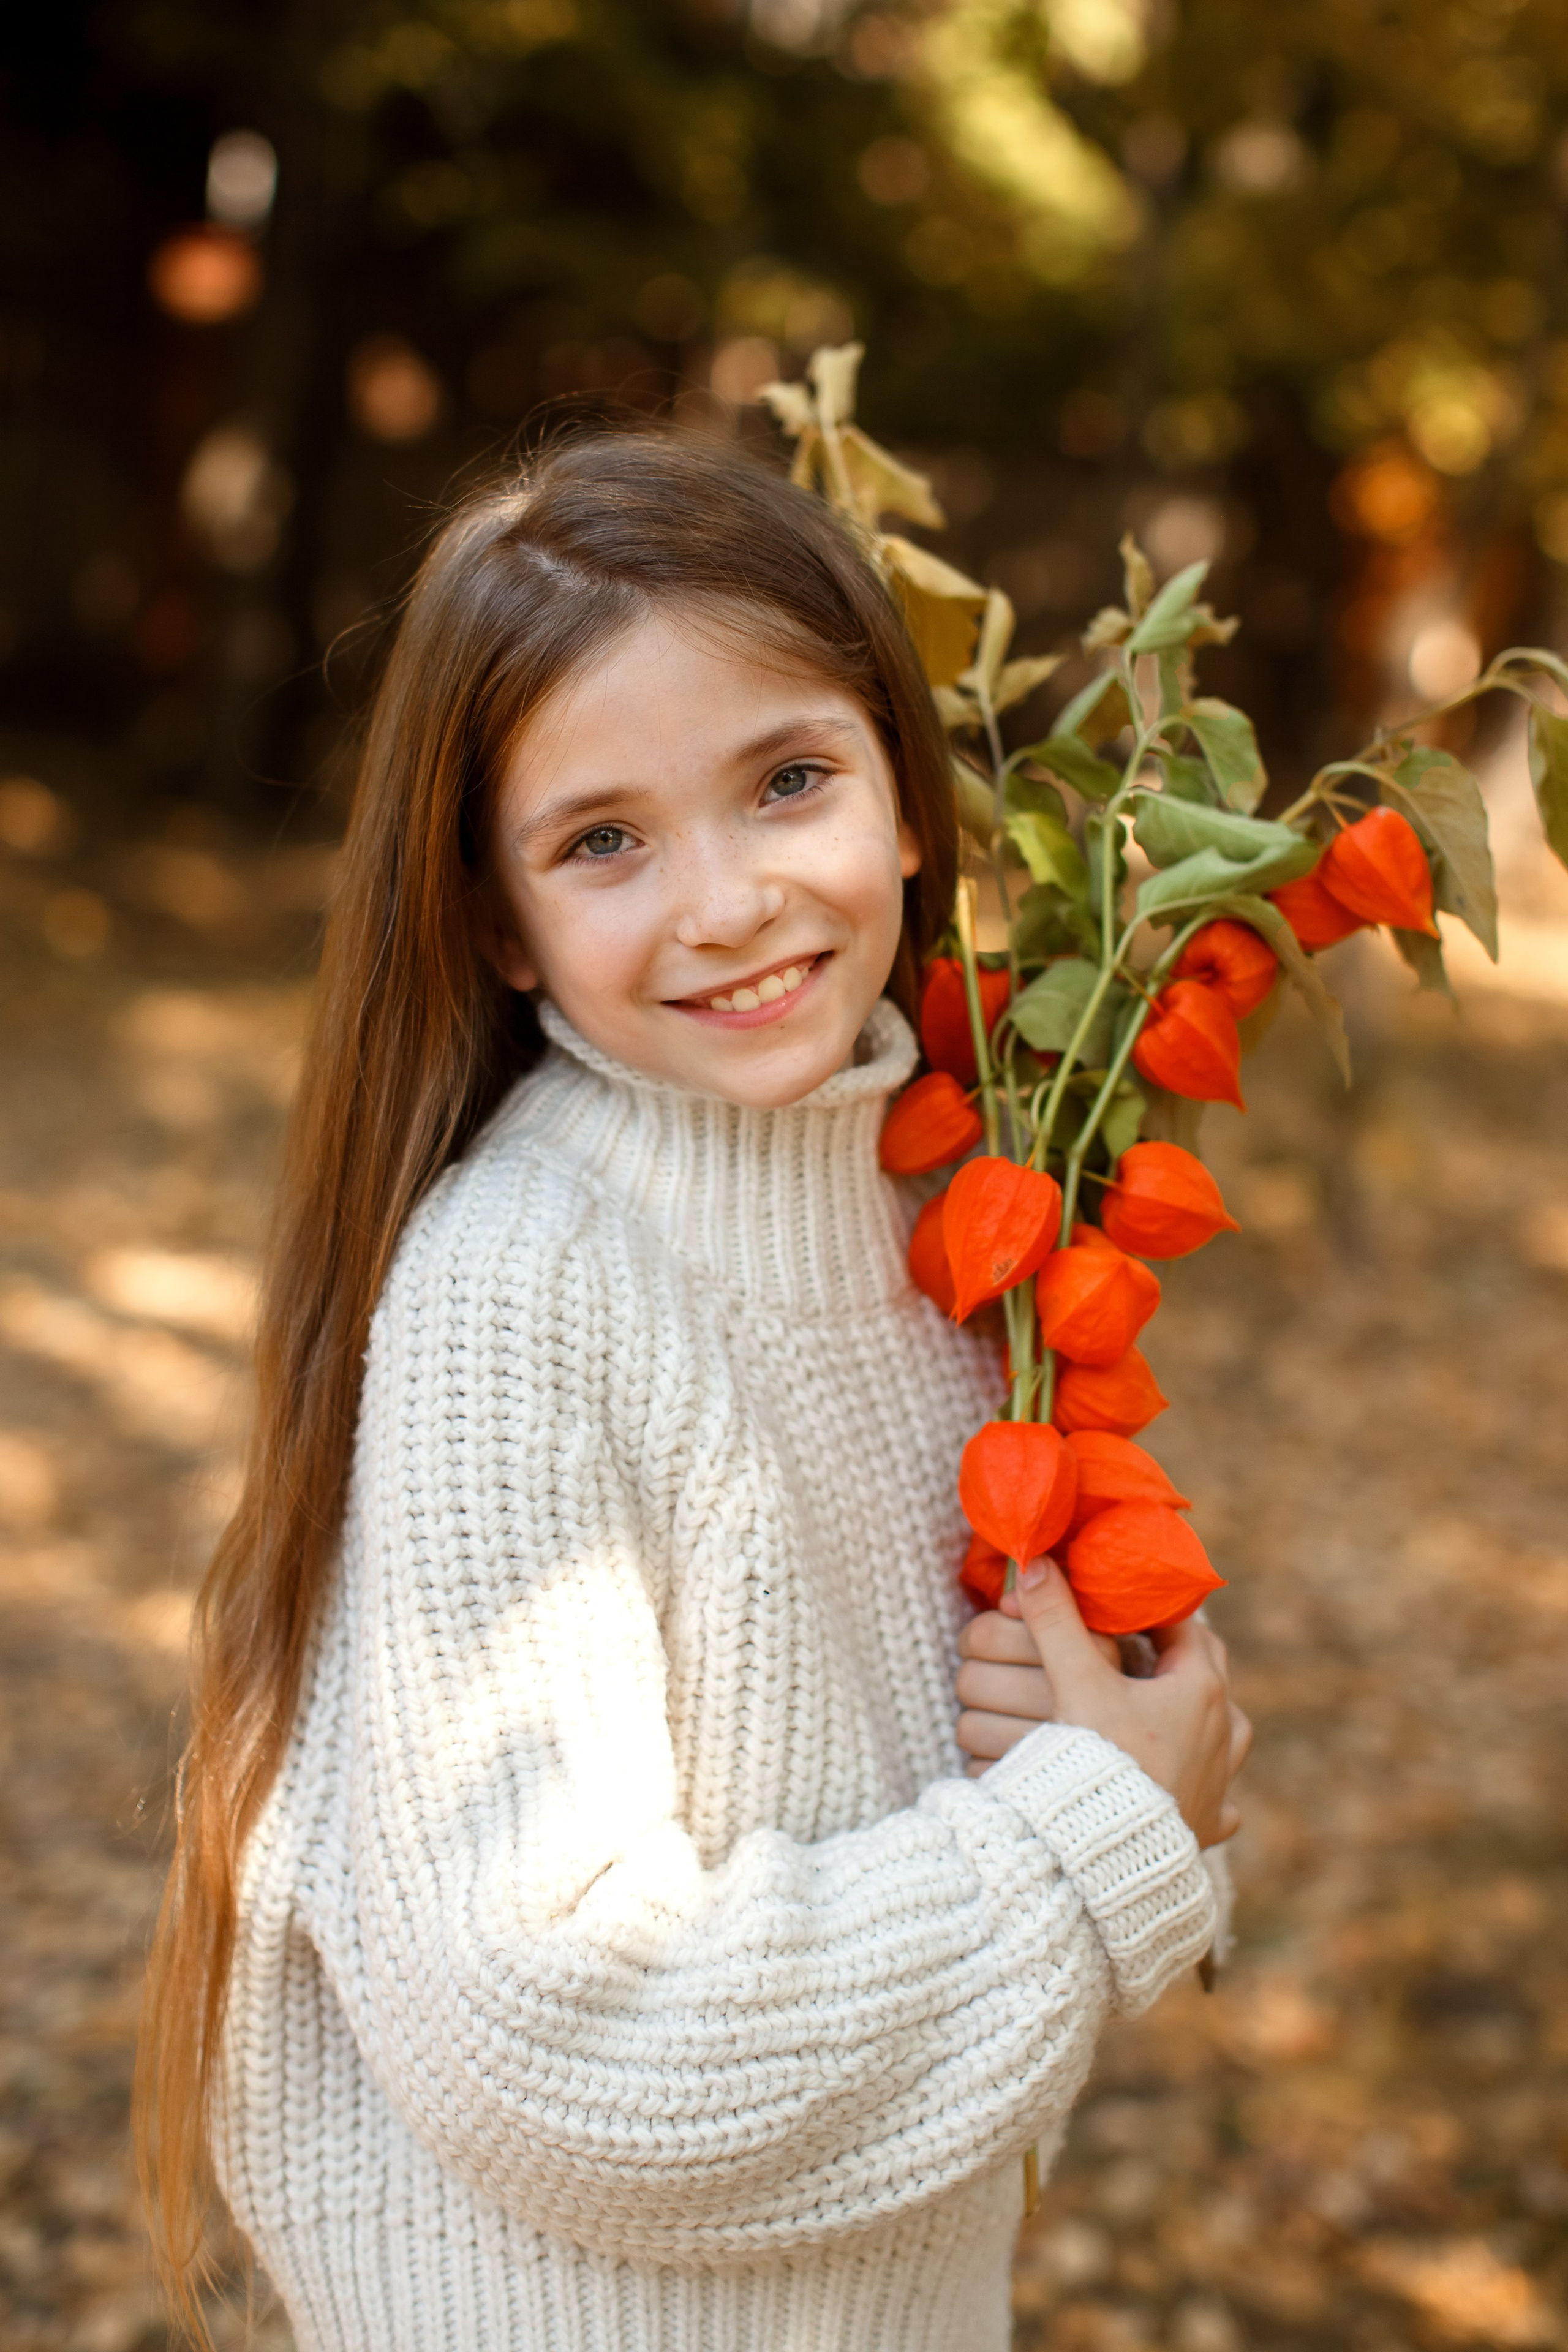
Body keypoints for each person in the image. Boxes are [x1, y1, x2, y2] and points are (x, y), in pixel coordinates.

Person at [137, 428, 1250, 2352]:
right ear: (496, 918)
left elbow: (993, 1779)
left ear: (909, 794)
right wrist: (1092, 1843)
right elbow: (561, 2039)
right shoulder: (526, 1288)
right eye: (605, 841)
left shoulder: (949, 1206)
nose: (728, 903)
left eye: (790, 782)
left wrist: (1093, 1740)